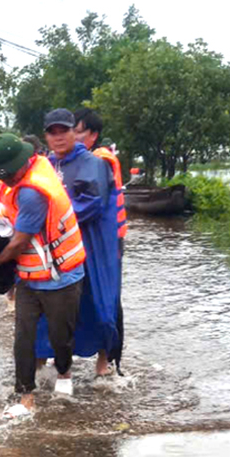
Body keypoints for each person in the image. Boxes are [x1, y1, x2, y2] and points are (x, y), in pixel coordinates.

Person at [0, 134, 86, 415]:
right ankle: (26, 395)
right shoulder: (34, 166)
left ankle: (64, 372)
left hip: (62, 277)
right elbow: (6, 214)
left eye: (4, 175)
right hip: (30, 277)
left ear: (18, 166)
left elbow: (18, 243)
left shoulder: (31, 192)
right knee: (23, 337)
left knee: (60, 338)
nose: (3, 181)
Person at [37, 108, 121, 377]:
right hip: (55, 247)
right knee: (52, 305)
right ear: (46, 136)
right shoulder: (44, 165)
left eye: (65, 131)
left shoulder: (94, 163)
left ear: (76, 133)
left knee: (99, 303)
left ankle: (104, 360)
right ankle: (46, 362)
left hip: (91, 245)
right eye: (53, 132)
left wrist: (51, 213)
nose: (59, 137)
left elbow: (91, 204)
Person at [74, 108, 128, 373]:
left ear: (93, 135)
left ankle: (104, 360)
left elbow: (93, 204)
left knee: (106, 298)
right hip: (81, 239)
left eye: (79, 131)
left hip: (107, 244)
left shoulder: (101, 161)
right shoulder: (68, 161)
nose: (72, 136)